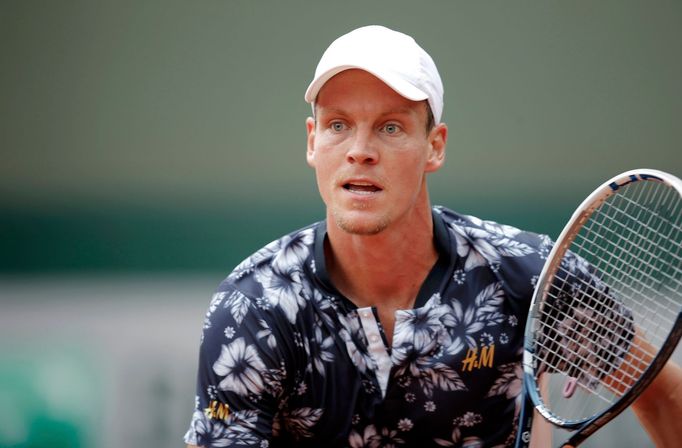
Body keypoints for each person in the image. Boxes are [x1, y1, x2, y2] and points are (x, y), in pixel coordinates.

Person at [184, 25, 681, 447]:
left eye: (391, 128)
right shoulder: (254, 310)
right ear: (313, 143)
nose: (360, 150)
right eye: (338, 125)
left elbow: (664, 397)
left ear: (434, 147)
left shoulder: (532, 277)